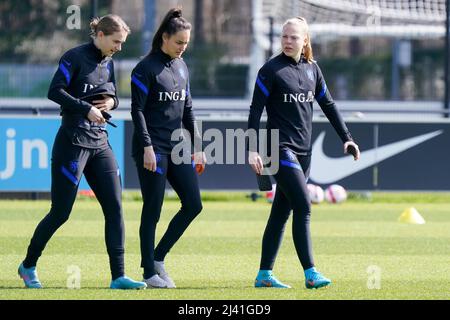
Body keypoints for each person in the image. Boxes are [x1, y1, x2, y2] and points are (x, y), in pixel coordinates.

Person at [18, 15, 146, 290]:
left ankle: (119, 276)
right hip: (72, 142)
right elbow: (55, 91)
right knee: (61, 212)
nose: (119, 48)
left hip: (100, 143)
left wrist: (112, 101)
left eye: (122, 43)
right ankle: (28, 265)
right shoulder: (74, 57)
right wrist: (85, 108)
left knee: (115, 208)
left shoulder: (108, 62)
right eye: (116, 41)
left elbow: (112, 95)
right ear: (99, 34)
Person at [247, 17, 360, 289]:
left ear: (305, 41)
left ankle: (264, 275)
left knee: (280, 213)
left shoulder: (313, 70)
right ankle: (311, 273)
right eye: (284, 36)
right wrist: (251, 149)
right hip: (278, 149)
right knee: (304, 205)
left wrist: (347, 138)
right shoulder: (270, 70)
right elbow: (254, 111)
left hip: (304, 152)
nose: (287, 41)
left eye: (293, 37)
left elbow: (329, 105)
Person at [130, 7, 206, 288]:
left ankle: (158, 257)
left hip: (177, 148)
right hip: (152, 149)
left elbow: (187, 109)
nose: (182, 48)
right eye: (178, 43)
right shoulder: (145, 68)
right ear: (164, 37)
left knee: (194, 204)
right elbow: (136, 110)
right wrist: (147, 146)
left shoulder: (182, 66)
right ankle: (149, 272)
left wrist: (197, 146)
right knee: (153, 208)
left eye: (186, 44)